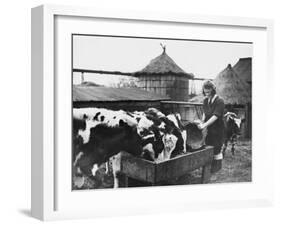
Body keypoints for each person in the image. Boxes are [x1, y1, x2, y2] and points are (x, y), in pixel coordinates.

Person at [197, 80, 225, 173]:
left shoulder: (220, 101)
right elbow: (205, 113)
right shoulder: (205, 100)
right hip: (209, 128)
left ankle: (217, 169)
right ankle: (211, 168)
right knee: (209, 146)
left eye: (208, 92)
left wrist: (205, 124)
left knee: (217, 148)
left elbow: (215, 116)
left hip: (218, 129)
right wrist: (202, 122)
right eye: (205, 92)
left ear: (213, 90)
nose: (207, 94)